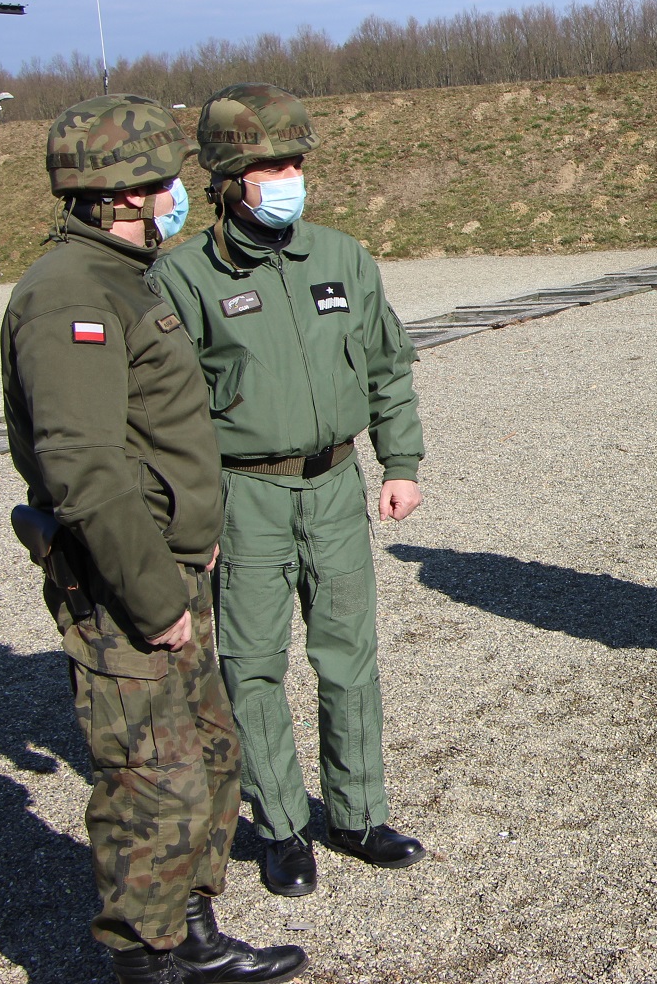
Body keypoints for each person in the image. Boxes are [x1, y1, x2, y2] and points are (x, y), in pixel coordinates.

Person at [2, 95, 307, 983]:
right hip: (128, 585)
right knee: (151, 780)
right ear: (115, 197)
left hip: (173, 568)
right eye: (162, 180)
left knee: (210, 757)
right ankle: (148, 959)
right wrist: (153, 596)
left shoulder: (124, 276)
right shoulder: (69, 294)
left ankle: (193, 931)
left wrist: (193, 542)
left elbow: (157, 433)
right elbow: (84, 469)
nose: (179, 193)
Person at [150, 83, 426, 898]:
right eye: (269, 165)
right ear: (229, 179)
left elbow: (387, 367)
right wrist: (189, 526)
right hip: (246, 498)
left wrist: (400, 462)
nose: (287, 177)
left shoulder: (342, 258)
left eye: (295, 162)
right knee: (254, 665)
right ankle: (278, 826)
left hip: (335, 486)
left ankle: (358, 812)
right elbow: (169, 417)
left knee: (348, 658)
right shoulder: (184, 279)